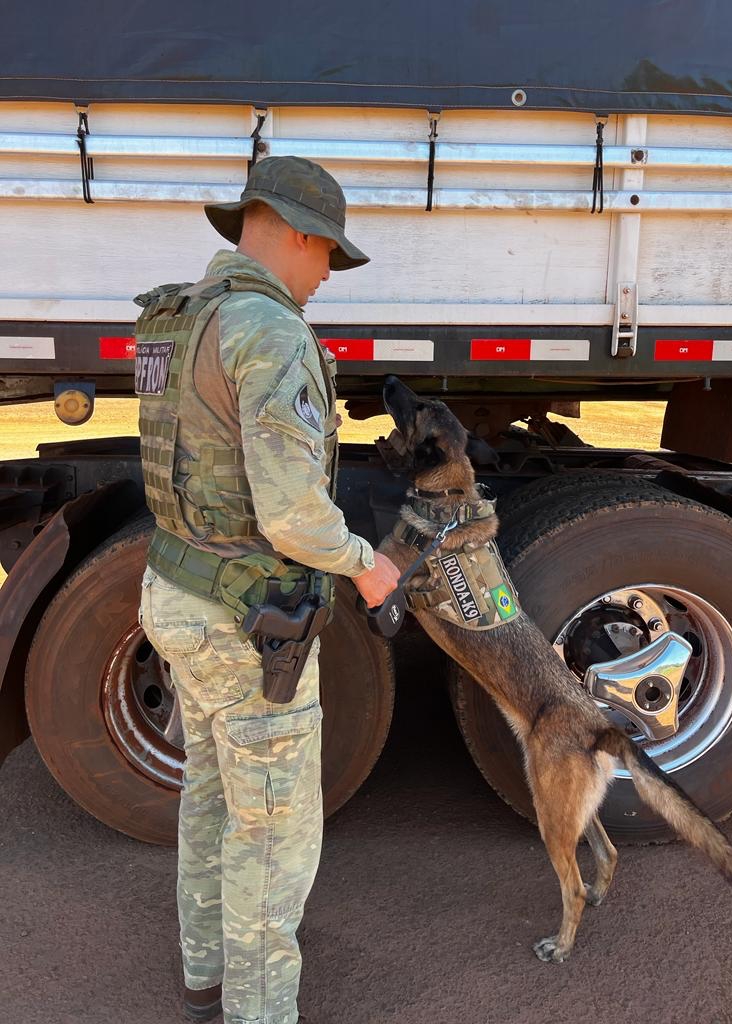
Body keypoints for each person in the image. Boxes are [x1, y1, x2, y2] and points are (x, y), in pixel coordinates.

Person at [136, 156, 400, 1024]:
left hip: (177, 593)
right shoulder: (271, 329)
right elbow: (291, 514)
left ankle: (206, 970)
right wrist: (367, 564)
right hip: (248, 621)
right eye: (329, 253)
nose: (328, 273)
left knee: (212, 798)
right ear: (294, 231)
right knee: (273, 832)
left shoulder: (179, 318)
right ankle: (258, 1012)